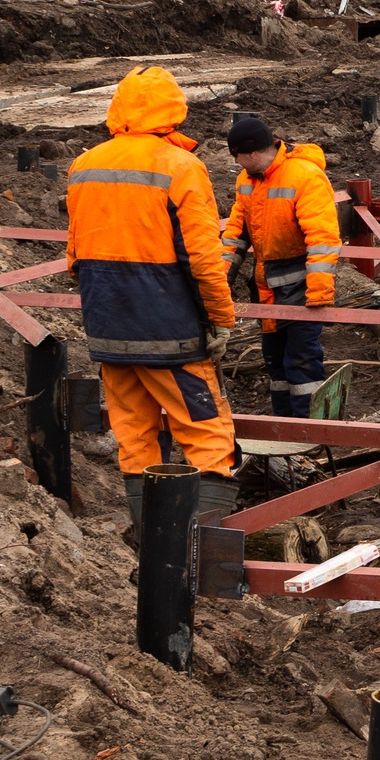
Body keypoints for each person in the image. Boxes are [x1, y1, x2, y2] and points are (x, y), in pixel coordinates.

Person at [66, 65, 241, 533]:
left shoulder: (85, 165)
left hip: (108, 324)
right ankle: (199, 552)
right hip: (169, 329)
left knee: (134, 435)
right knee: (205, 430)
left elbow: (74, 253)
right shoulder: (180, 167)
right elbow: (204, 258)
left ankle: (153, 545)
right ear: (174, 111)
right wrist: (221, 320)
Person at [221, 113, 340, 418]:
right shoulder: (247, 180)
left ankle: (308, 431)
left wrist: (318, 296)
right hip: (267, 287)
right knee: (276, 362)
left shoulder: (304, 176)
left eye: (238, 158)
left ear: (252, 153)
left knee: (301, 361)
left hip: (300, 289)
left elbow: (322, 240)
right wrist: (219, 280)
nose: (238, 165)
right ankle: (283, 426)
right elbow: (236, 232)